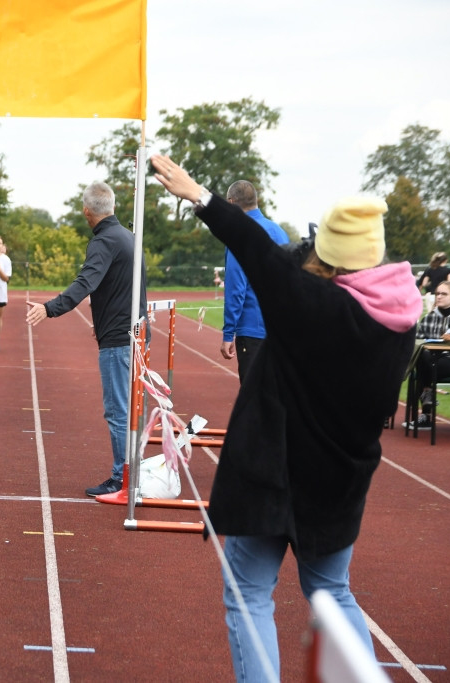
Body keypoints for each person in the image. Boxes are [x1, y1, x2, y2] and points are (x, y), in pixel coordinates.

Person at [151, 154, 421, 683]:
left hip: (273, 476)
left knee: (248, 593)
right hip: (341, 481)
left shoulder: (312, 304)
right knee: (332, 592)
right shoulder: (401, 316)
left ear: (331, 255)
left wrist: (199, 195)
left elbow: (257, 252)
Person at [25, 180, 146, 497]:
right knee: (127, 409)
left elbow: (85, 282)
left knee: (118, 411)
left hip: (119, 339)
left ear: (86, 211)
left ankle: (123, 479)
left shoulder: (104, 241)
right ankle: (131, 474)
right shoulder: (129, 237)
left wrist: (50, 308)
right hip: (133, 333)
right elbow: (131, 288)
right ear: (113, 207)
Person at [220, 180, 290, 382]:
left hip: (253, 331)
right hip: (281, 329)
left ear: (232, 202)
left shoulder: (238, 234)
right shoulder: (279, 232)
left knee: (254, 399)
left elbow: (236, 288)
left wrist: (228, 333)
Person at [406, 281, 450, 430]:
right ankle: (427, 400)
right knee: (424, 357)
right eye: (437, 293)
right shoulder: (429, 317)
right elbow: (418, 341)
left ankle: (425, 413)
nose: (439, 297)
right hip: (429, 361)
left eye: (444, 294)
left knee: (424, 363)